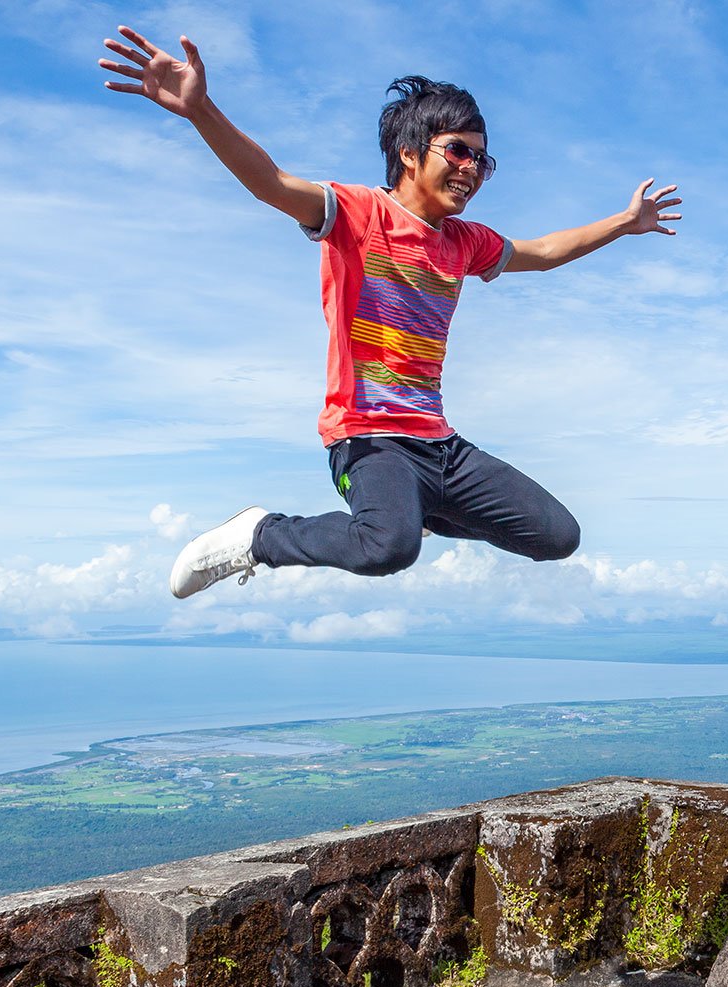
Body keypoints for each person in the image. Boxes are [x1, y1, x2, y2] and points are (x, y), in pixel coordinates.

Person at [98, 27, 682, 598]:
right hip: (367, 437)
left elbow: (545, 251)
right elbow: (270, 183)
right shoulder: (355, 213)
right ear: (408, 153)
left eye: (483, 159)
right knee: (388, 548)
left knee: (557, 536)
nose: (472, 170)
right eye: (457, 151)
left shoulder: (464, 241)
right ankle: (260, 535)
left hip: (438, 444)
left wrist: (623, 225)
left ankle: (412, 506)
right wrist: (202, 111)